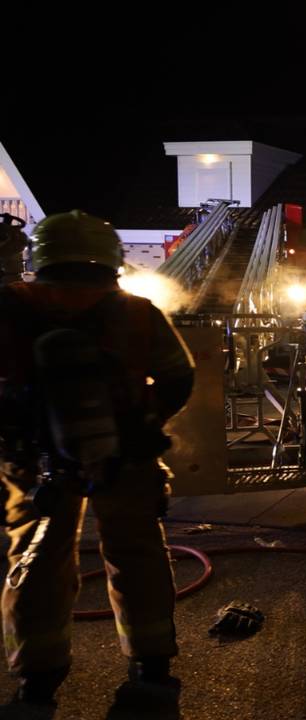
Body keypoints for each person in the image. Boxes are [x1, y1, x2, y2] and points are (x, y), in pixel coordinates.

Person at [0, 210, 195, 704]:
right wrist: (141, 422)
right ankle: (151, 664)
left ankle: (37, 676)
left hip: (34, 462)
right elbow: (178, 375)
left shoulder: (9, 306)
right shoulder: (135, 310)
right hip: (126, 458)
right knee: (137, 553)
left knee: (38, 557)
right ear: (111, 259)